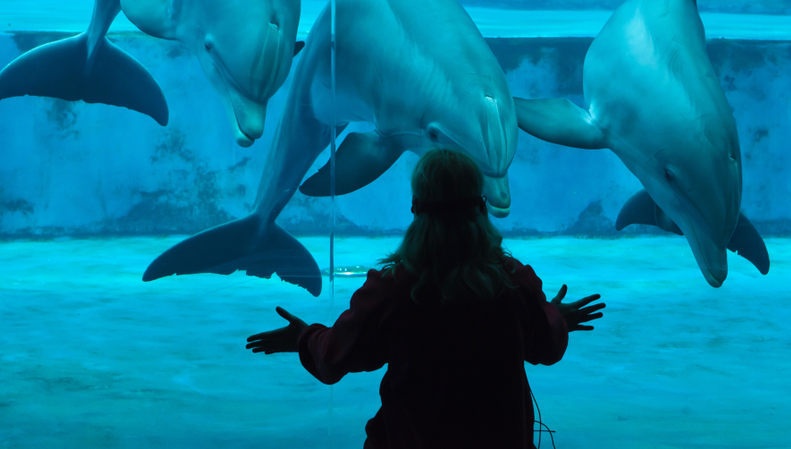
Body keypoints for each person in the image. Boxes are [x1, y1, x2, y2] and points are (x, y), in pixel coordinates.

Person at [246, 149, 605, 449]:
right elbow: (546, 346)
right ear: (481, 206)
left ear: (416, 207)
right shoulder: (512, 282)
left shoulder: (392, 289)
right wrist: (556, 317)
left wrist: (304, 338)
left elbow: (334, 358)